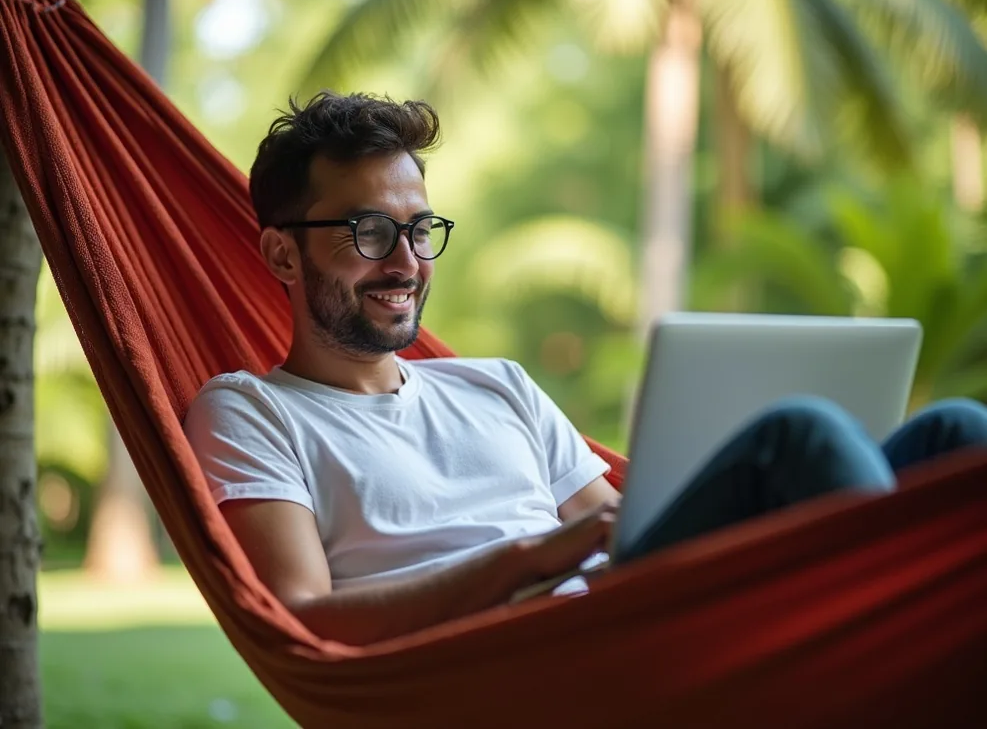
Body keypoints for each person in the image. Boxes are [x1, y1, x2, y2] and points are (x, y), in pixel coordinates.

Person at [183, 91, 987, 646]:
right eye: (367, 231)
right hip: (540, 662)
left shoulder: (495, 385)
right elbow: (302, 616)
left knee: (955, 430)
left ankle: (909, 652)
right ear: (280, 253)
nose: (405, 261)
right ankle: (890, 656)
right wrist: (524, 560)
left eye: (420, 229)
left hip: (624, 616)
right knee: (795, 438)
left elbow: (616, 532)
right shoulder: (251, 411)